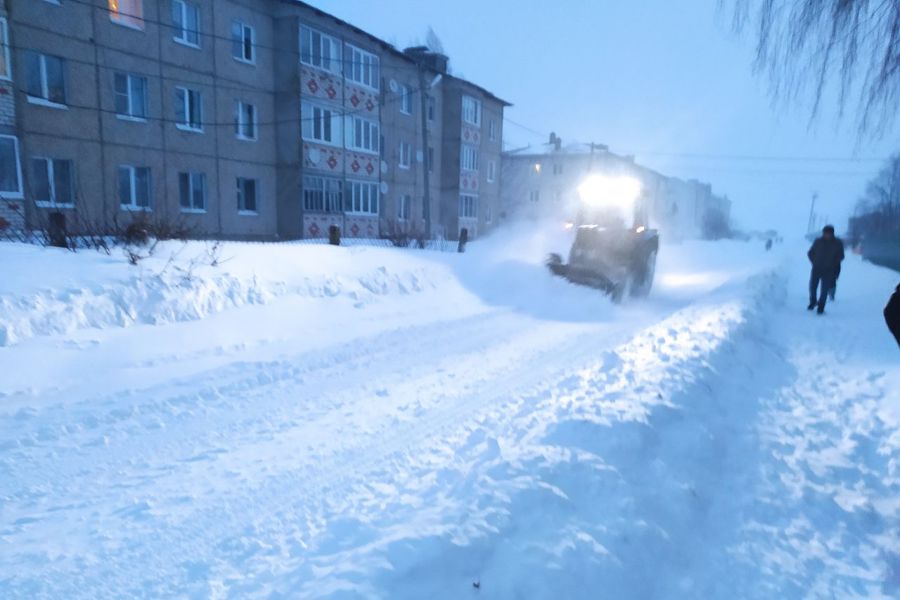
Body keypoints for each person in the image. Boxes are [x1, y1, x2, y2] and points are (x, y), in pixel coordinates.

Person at [807, 225, 844, 314]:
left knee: (824, 290)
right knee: (812, 287)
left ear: (832, 234)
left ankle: (821, 306)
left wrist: (834, 263)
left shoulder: (837, 243)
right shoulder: (818, 241)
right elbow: (810, 253)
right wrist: (814, 262)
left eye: (828, 233)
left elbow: (841, 255)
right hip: (816, 268)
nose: (826, 235)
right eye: (825, 233)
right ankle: (813, 302)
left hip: (828, 270)